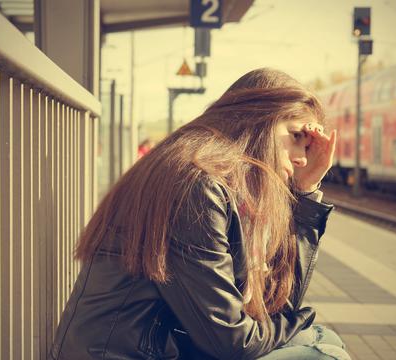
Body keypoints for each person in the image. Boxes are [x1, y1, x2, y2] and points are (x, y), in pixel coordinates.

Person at [49, 68, 350, 360]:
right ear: (257, 122)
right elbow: (233, 342)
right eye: (296, 136)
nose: (301, 158)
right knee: (323, 353)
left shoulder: (211, 179)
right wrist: (297, 321)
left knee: (324, 339)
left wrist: (306, 191)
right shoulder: (195, 187)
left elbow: (274, 307)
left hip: (170, 346)